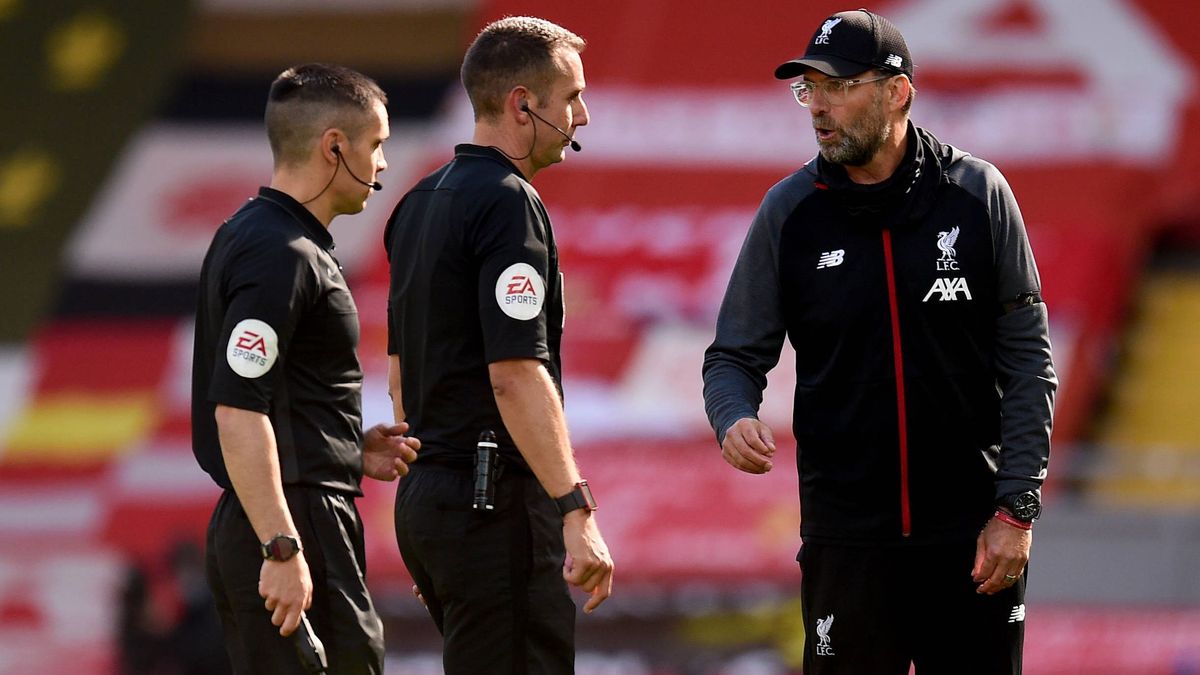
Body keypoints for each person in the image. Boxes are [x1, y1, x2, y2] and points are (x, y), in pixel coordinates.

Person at [702, 9, 1056, 674]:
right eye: (809, 89)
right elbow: (732, 355)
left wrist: (1017, 506)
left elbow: (1029, 362)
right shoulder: (790, 211)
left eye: (839, 86)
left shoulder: (977, 196)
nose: (818, 107)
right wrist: (733, 413)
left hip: (971, 536)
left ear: (898, 91)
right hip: (847, 543)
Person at [383, 16, 613, 675]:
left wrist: (434, 509)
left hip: (430, 501)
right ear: (521, 104)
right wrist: (575, 507)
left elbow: (401, 376)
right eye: (571, 97)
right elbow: (515, 373)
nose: (584, 115)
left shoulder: (419, 201)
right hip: (492, 504)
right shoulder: (510, 204)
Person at [191, 62, 420, 674]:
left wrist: (343, 449)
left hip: (288, 507)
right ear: (334, 146)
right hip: (293, 522)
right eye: (377, 145)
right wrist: (282, 545)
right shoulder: (281, 253)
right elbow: (239, 410)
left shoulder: (259, 235)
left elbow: (278, 400)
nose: (383, 164)